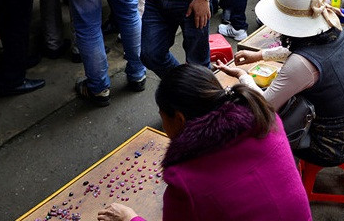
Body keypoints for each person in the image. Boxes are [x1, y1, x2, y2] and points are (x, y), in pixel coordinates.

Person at [96, 63, 311, 221]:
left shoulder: (185, 181)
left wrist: (130, 218)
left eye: (162, 116)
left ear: (179, 118)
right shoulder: (268, 120)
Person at [219, 0, 344, 168]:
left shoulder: (301, 64)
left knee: (253, 123)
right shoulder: (343, 34)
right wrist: (260, 55)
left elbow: (264, 106)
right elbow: (308, 50)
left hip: (331, 147)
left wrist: (242, 77)